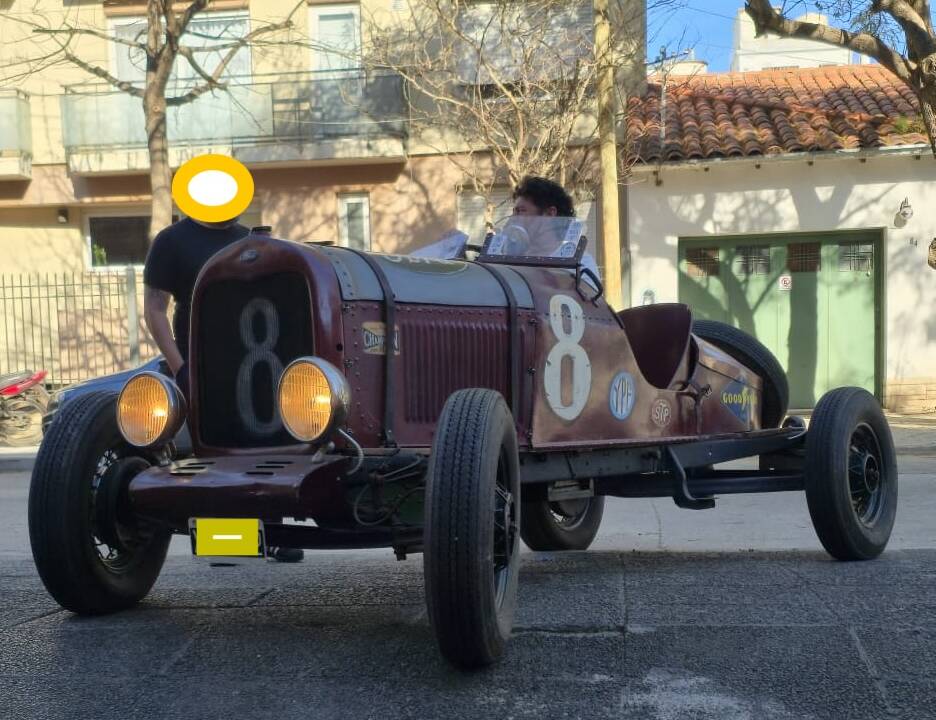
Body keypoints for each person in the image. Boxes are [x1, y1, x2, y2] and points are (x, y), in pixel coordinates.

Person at [143, 215, 304, 563]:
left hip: (258, 353)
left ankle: (273, 533)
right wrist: (179, 366)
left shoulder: (249, 238)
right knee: (213, 450)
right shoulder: (171, 240)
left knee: (265, 441)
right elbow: (155, 309)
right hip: (201, 358)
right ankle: (228, 541)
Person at [510, 176, 601, 280]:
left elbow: (588, 295)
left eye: (521, 211)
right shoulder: (511, 258)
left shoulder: (578, 263)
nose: (513, 218)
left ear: (549, 214)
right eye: (514, 212)